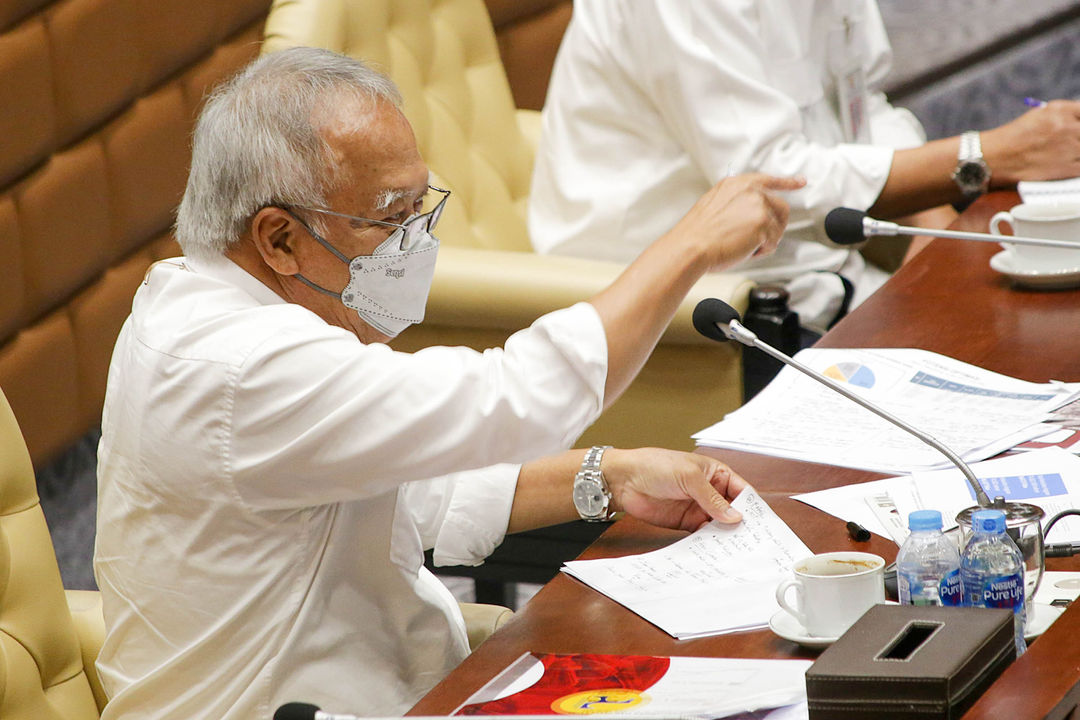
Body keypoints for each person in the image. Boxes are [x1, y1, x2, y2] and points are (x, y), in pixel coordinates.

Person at [93, 47, 803, 719]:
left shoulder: (210, 301)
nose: (418, 241)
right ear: (279, 239)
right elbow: (521, 399)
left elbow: (424, 489)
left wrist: (609, 477)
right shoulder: (240, 365)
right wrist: (691, 246)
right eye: (390, 217)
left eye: (419, 208)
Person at [529, 0, 1080, 332]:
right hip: (704, 315)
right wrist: (983, 156)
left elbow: (863, 108)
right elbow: (765, 185)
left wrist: (938, 234)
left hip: (835, 277)